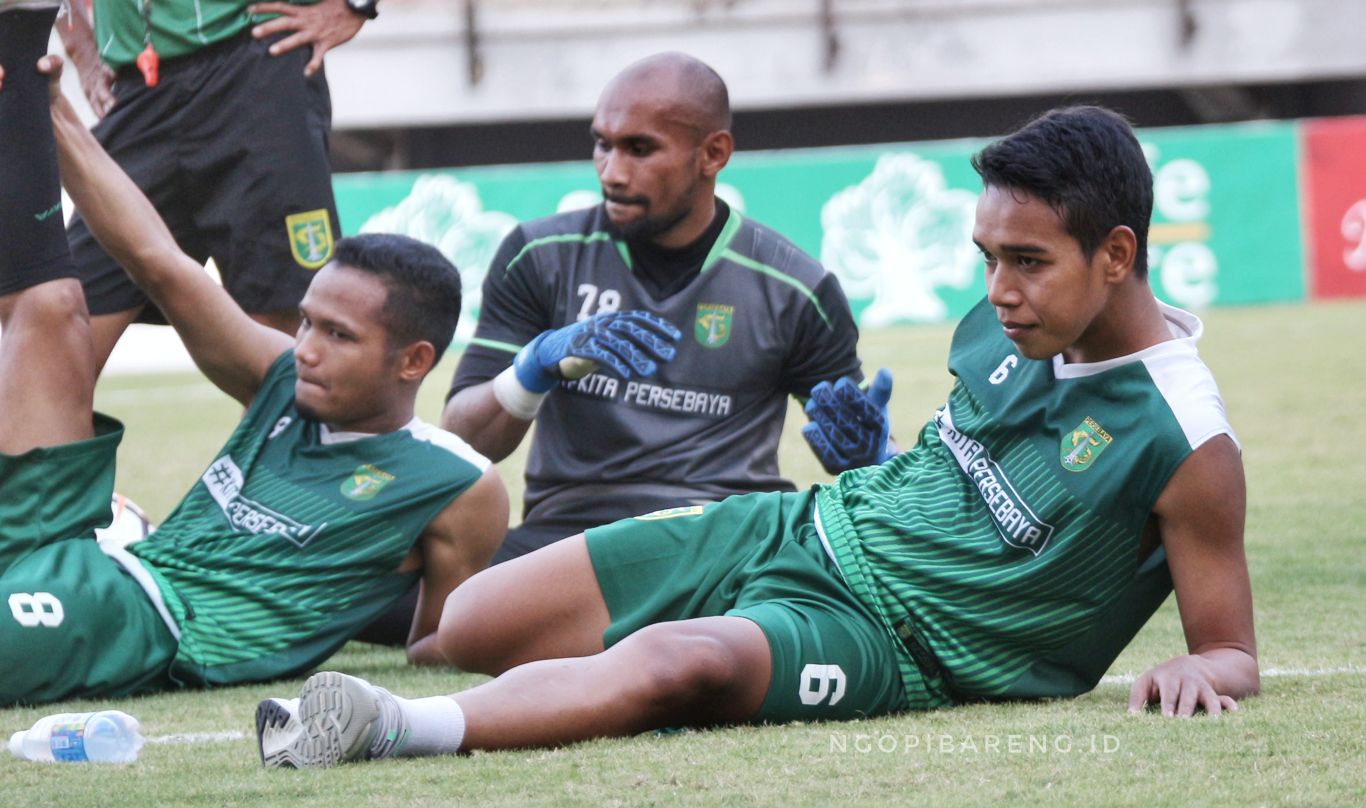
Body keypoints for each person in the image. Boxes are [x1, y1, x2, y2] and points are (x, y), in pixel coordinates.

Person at [257, 104, 1260, 768]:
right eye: (988, 257)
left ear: (1117, 253)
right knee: (469, 625)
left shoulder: (1185, 440)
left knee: (678, 666)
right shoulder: (1008, 323)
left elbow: (1230, 653)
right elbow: (963, 487)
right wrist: (870, 458)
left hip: (888, 640)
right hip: (794, 528)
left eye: (1028, 262)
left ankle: (384, 732)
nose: (999, 289)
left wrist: (1198, 668)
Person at [0, 45, 507, 706]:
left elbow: (442, 641)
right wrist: (49, 107)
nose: (306, 348)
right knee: (49, 308)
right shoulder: (282, 380)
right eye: (307, 323)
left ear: (413, 361)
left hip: (153, 625)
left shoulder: (459, 484)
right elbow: (160, 263)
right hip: (90, 563)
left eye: (338, 335)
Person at [441, 51, 879, 565]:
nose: (612, 172)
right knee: (391, 578)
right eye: (602, 145)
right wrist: (532, 369)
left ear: (713, 154)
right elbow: (464, 441)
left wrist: (871, 458)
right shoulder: (538, 256)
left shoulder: (798, 287)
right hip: (567, 542)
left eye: (639, 149)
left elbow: (861, 448)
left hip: (726, 542)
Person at [55, 0, 375, 373]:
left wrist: (358, 6)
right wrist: (78, 43)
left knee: (284, 334)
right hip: (135, 88)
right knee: (65, 321)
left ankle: (280, 432)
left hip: (258, 59)